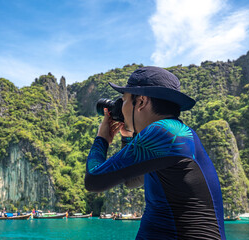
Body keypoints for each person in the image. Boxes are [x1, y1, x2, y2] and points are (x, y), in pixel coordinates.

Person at [85, 66, 225, 239]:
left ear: (141, 102)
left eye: (124, 101)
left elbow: (93, 180)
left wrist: (102, 139)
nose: (121, 109)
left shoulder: (166, 131)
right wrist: (128, 136)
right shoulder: (174, 135)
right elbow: (130, 181)